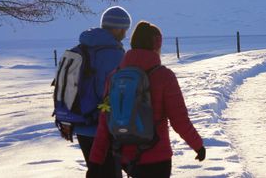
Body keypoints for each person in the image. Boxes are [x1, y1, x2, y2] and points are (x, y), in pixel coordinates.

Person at [87, 21, 206, 178]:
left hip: (124, 156)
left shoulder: (114, 76)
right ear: (156, 44)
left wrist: (95, 162)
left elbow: (104, 122)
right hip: (157, 157)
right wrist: (198, 146)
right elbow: (179, 120)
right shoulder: (164, 76)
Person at [56, 6, 131, 177]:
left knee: (96, 171)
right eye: (124, 29)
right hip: (101, 127)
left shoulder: (82, 48)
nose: (125, 34)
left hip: (80, 123)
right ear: (117, 28)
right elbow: (113, 94)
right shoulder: (112, 54)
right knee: (109, 173)